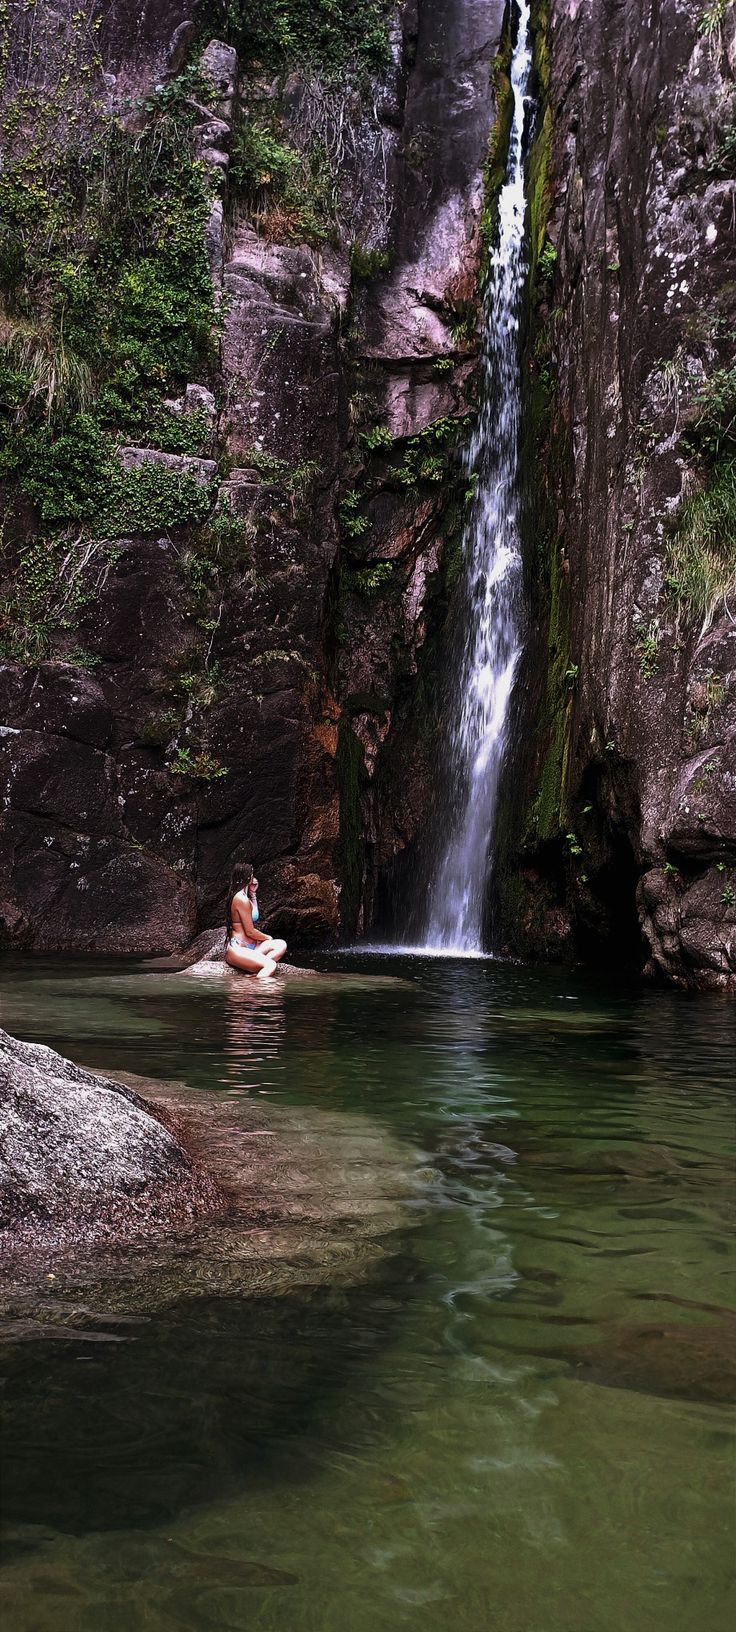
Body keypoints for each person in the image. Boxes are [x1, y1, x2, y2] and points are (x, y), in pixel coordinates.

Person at [224, 861, 287, 978]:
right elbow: (250, 932)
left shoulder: (244, 897)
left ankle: (255, 970)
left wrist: (253, 893)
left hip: (252, 948)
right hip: (239, 948)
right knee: (270, 965)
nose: (253, 877)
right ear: (248, 877)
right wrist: (268, 938)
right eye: (252, 874)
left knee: (281, 944)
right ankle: (255, 986)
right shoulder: (240, 899)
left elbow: (255, 915)